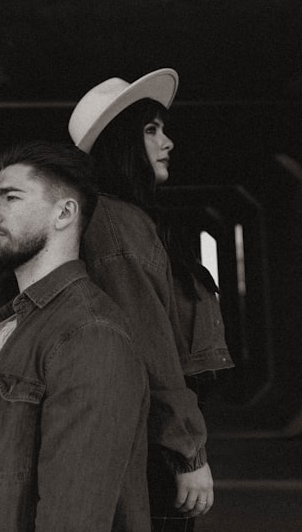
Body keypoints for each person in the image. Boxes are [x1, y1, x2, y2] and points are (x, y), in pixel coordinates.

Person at [0, 140, 150, 532]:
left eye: (10, 197)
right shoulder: (16, 326)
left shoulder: (89, 335)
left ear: (64, 213)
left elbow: (75, 516)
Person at [68, 69, 234, 531]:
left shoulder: (126, 219)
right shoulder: (113, 224)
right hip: (144, 445)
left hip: (138, 436)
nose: (168, 142)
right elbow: (148, 346)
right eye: (151, 130)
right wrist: (187, 452)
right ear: (121, 142)